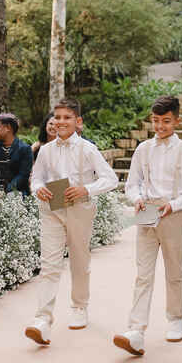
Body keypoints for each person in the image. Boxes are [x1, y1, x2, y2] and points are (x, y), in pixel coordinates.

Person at [114, 96, 182, 356]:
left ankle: (175, 319)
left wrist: (174, 205)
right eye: (156, 121)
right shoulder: (143, 149)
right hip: (147, 214)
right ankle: (136, 330)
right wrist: (137, 198)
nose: (160, 126)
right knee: (143, 274)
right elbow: (132, 183)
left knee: (174, 271)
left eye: (166, 121)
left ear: (176, 120)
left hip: (173, 215)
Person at [24, 98, 118, 346]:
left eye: (67, 117)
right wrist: (38, 189)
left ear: (79, 122)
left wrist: (86, 189)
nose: (61, 122)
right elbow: (37, 178)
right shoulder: (45, 150)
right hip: (52, 210)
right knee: (49, 263)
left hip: (80, 210)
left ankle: (79, 307)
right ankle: (42, 319)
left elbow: (111, 179)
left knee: (79, 260)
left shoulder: (87, 149)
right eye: (58, 117)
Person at [0, 113, 33, 195]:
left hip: (17, 192)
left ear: (8, 128)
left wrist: (6, 191)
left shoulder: (24, 149)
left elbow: (23, 176)